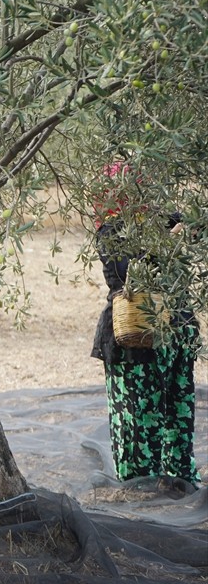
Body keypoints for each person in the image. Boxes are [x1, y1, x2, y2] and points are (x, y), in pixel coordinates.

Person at [90, 161, 201, 490]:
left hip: (177, 329)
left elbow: (194, 226)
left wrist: (191, 223)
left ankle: (178, 479)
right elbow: (128, 276)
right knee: (137, 416)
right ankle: (140, 486)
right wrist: (167, 244)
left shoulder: (159, 220)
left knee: (178, 407)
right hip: (136, 335)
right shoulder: (111, 233)